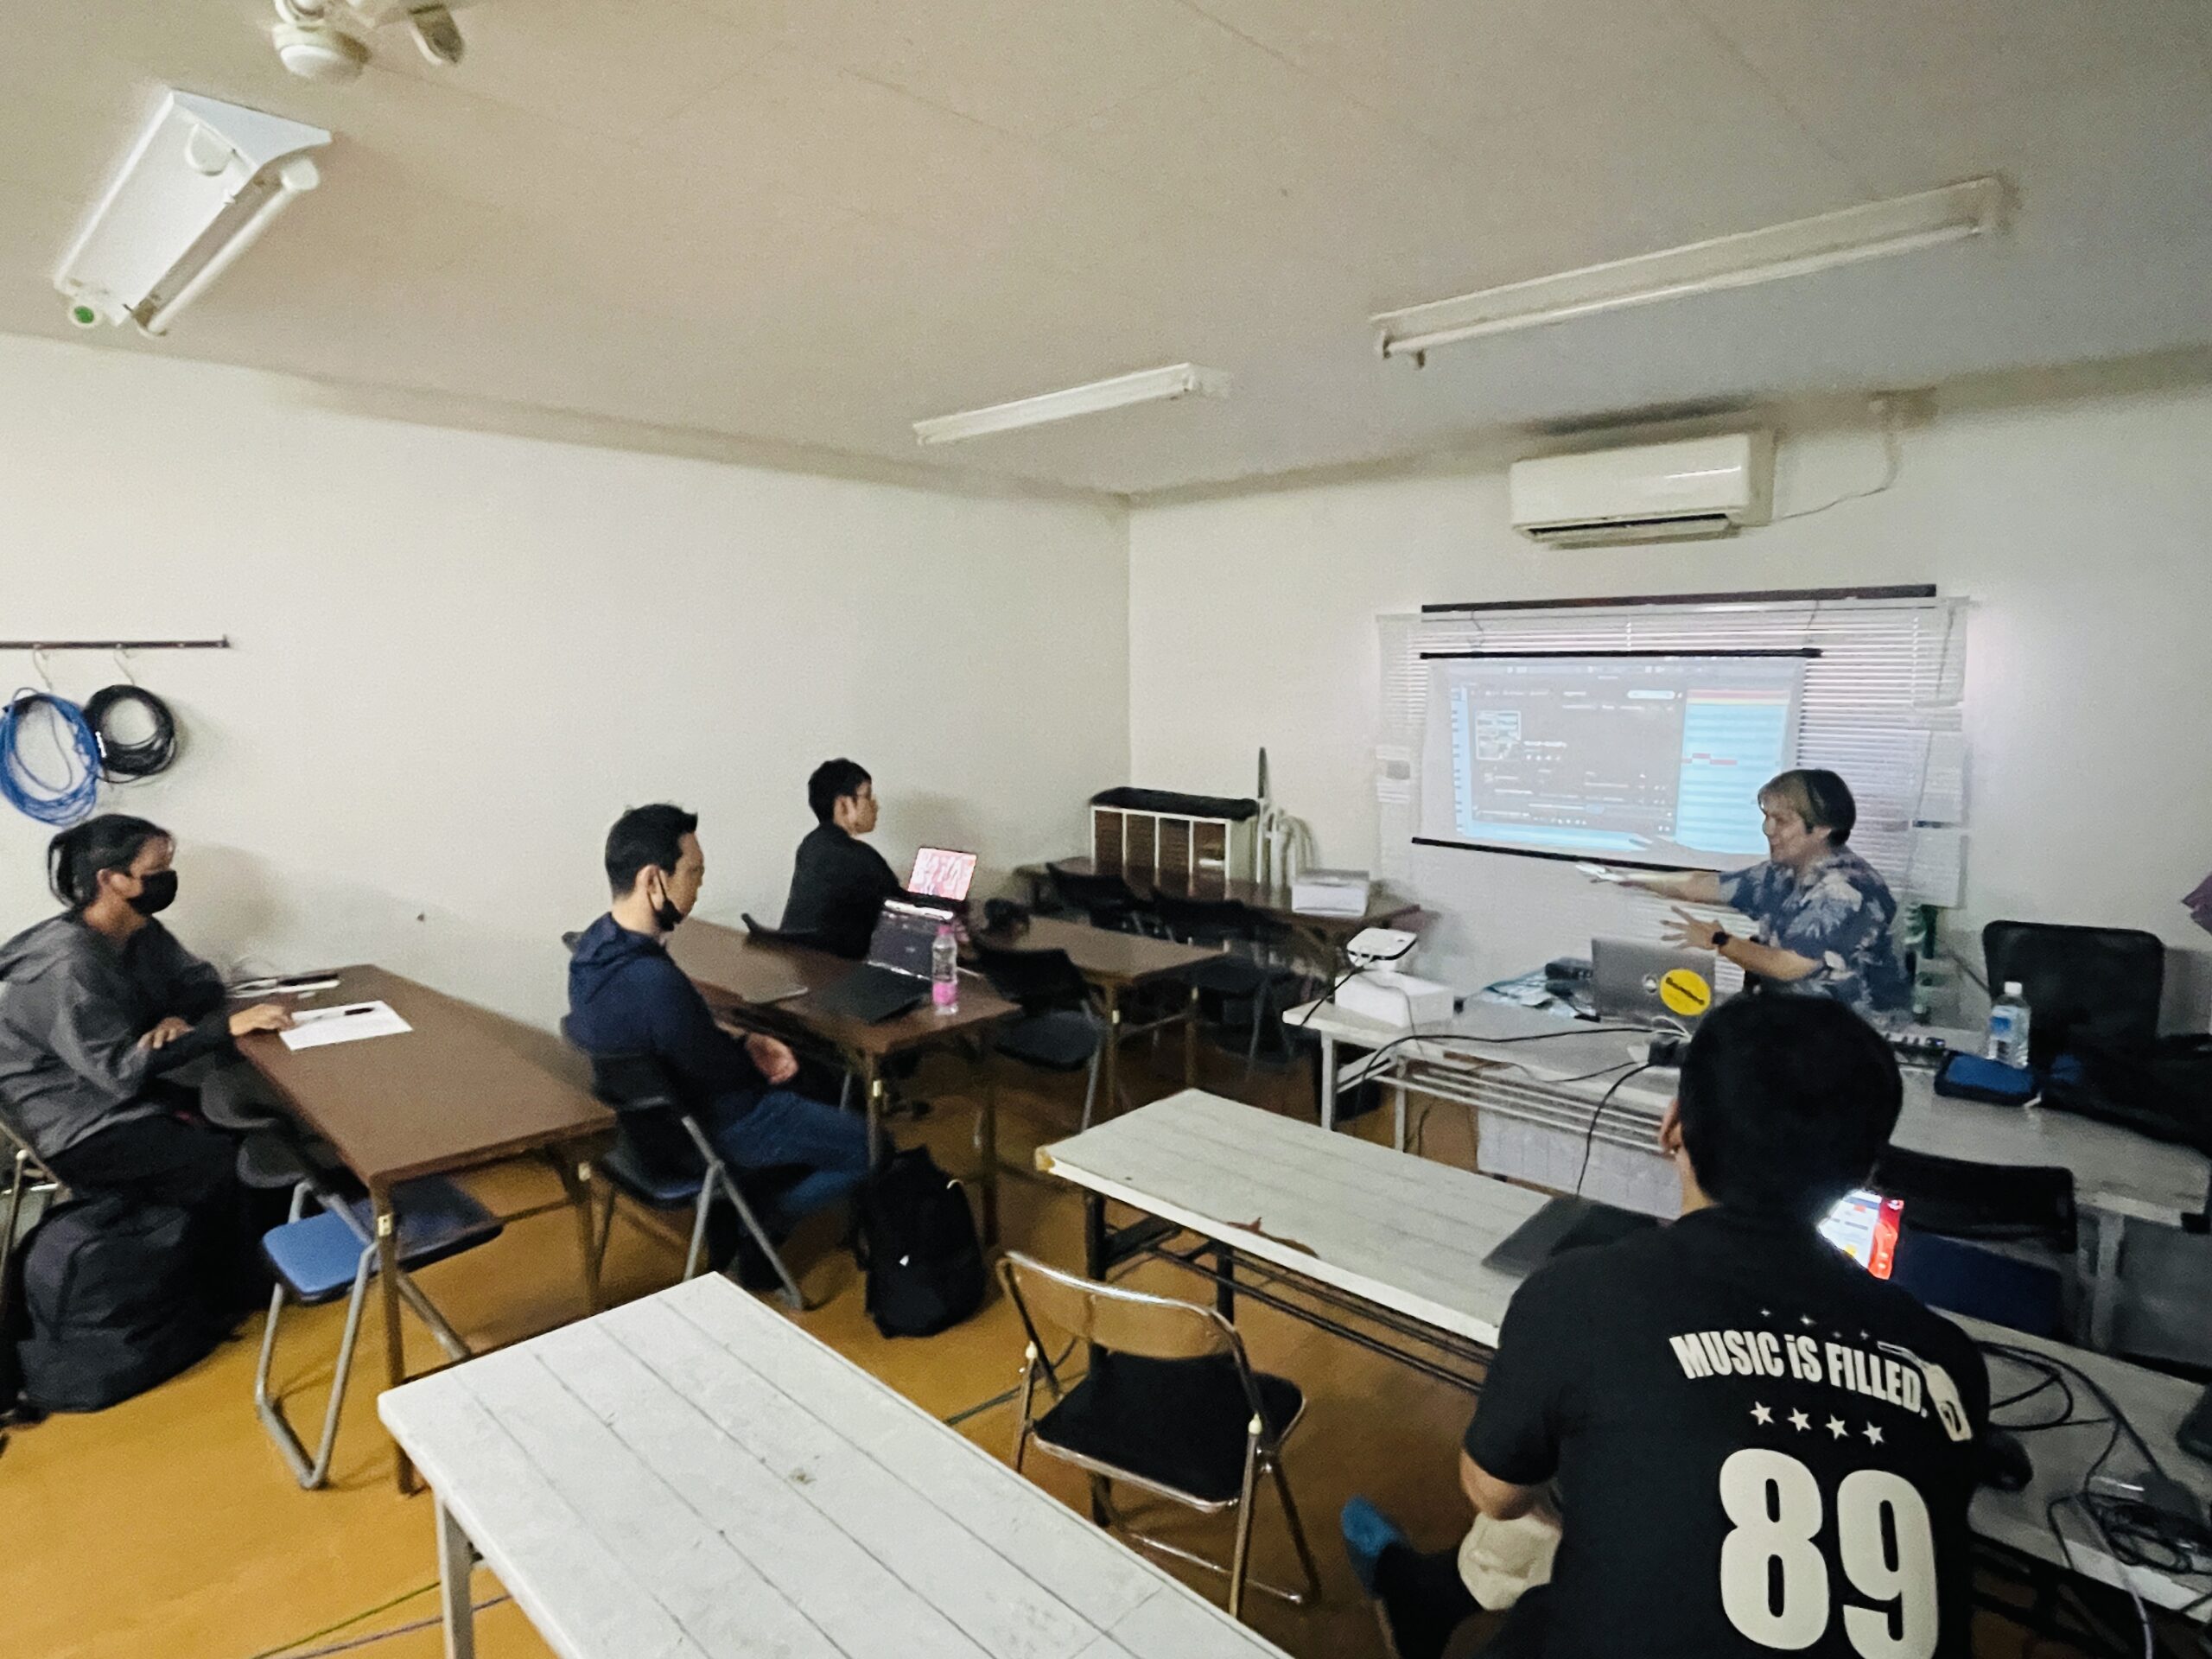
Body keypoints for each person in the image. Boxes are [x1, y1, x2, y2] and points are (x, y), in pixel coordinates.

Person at [1342, 995, 1988, 1658]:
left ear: (1673, 1125)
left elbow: (1493, 1494)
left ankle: (1430, 1594)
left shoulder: (1581, 1295)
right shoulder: (1947, 1361)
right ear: (1868, 1174)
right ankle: (1434, 1594)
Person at [0, 815, 296, 1306]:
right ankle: (241, 1292)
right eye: (156, 870)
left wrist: (176, 1015)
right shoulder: (66, 965)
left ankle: (283, 1258)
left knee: (254, 1119)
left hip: (121, 1096)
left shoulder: (139, 932)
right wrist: (224, 1028)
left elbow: (201, 982)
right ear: (112, 880)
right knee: (216, 1163)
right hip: (75, 1125)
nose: (168, 879)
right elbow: (119, 1073)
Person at [567, 804, 871, 1274]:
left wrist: (744, 1039)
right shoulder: (654, 982)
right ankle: (764, 1218)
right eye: (693, 872)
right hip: (718, 1128)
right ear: (653, 880)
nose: (699, 885)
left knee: (811, 1077)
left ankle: (748, 1207)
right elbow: (724, 1077)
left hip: (640, 1137)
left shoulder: (591, 950)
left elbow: (684, 1039)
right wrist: (753, 1051)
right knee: (871, 1144)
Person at [1618, 768, 1910, 1020]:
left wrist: (1720, 940)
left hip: (1850, 1037)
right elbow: (1700, 885)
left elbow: (1787, 966)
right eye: (1767, 817)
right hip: (1792, 1023)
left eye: (1781, 821)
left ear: (1822, 829)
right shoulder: (1782, 873)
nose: (1767, 829)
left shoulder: (1845, 890)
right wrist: (1625, 877)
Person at [781, 759, 903, 959]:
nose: (875, 806)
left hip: (797, 959)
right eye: (867, 796)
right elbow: (906, 912)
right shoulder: (861, 857)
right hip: (839, 969)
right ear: (844, 804)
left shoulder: (810, 844)